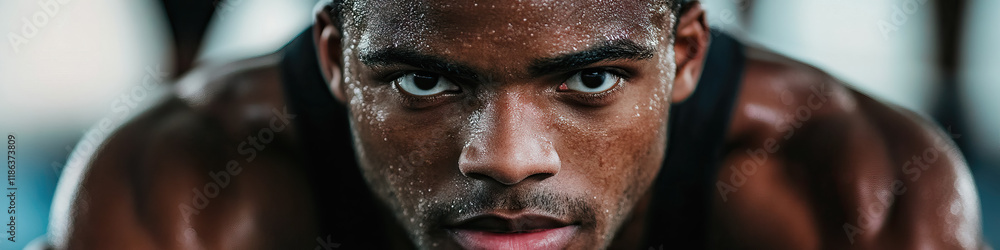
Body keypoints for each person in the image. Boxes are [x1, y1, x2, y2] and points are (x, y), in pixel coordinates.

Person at [39, 0, 985, 249]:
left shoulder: (854, 195)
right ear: (335, 60)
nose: (505, 161)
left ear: (686, 55)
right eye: (420, 85)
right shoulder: (178, 193)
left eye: (592, 79)